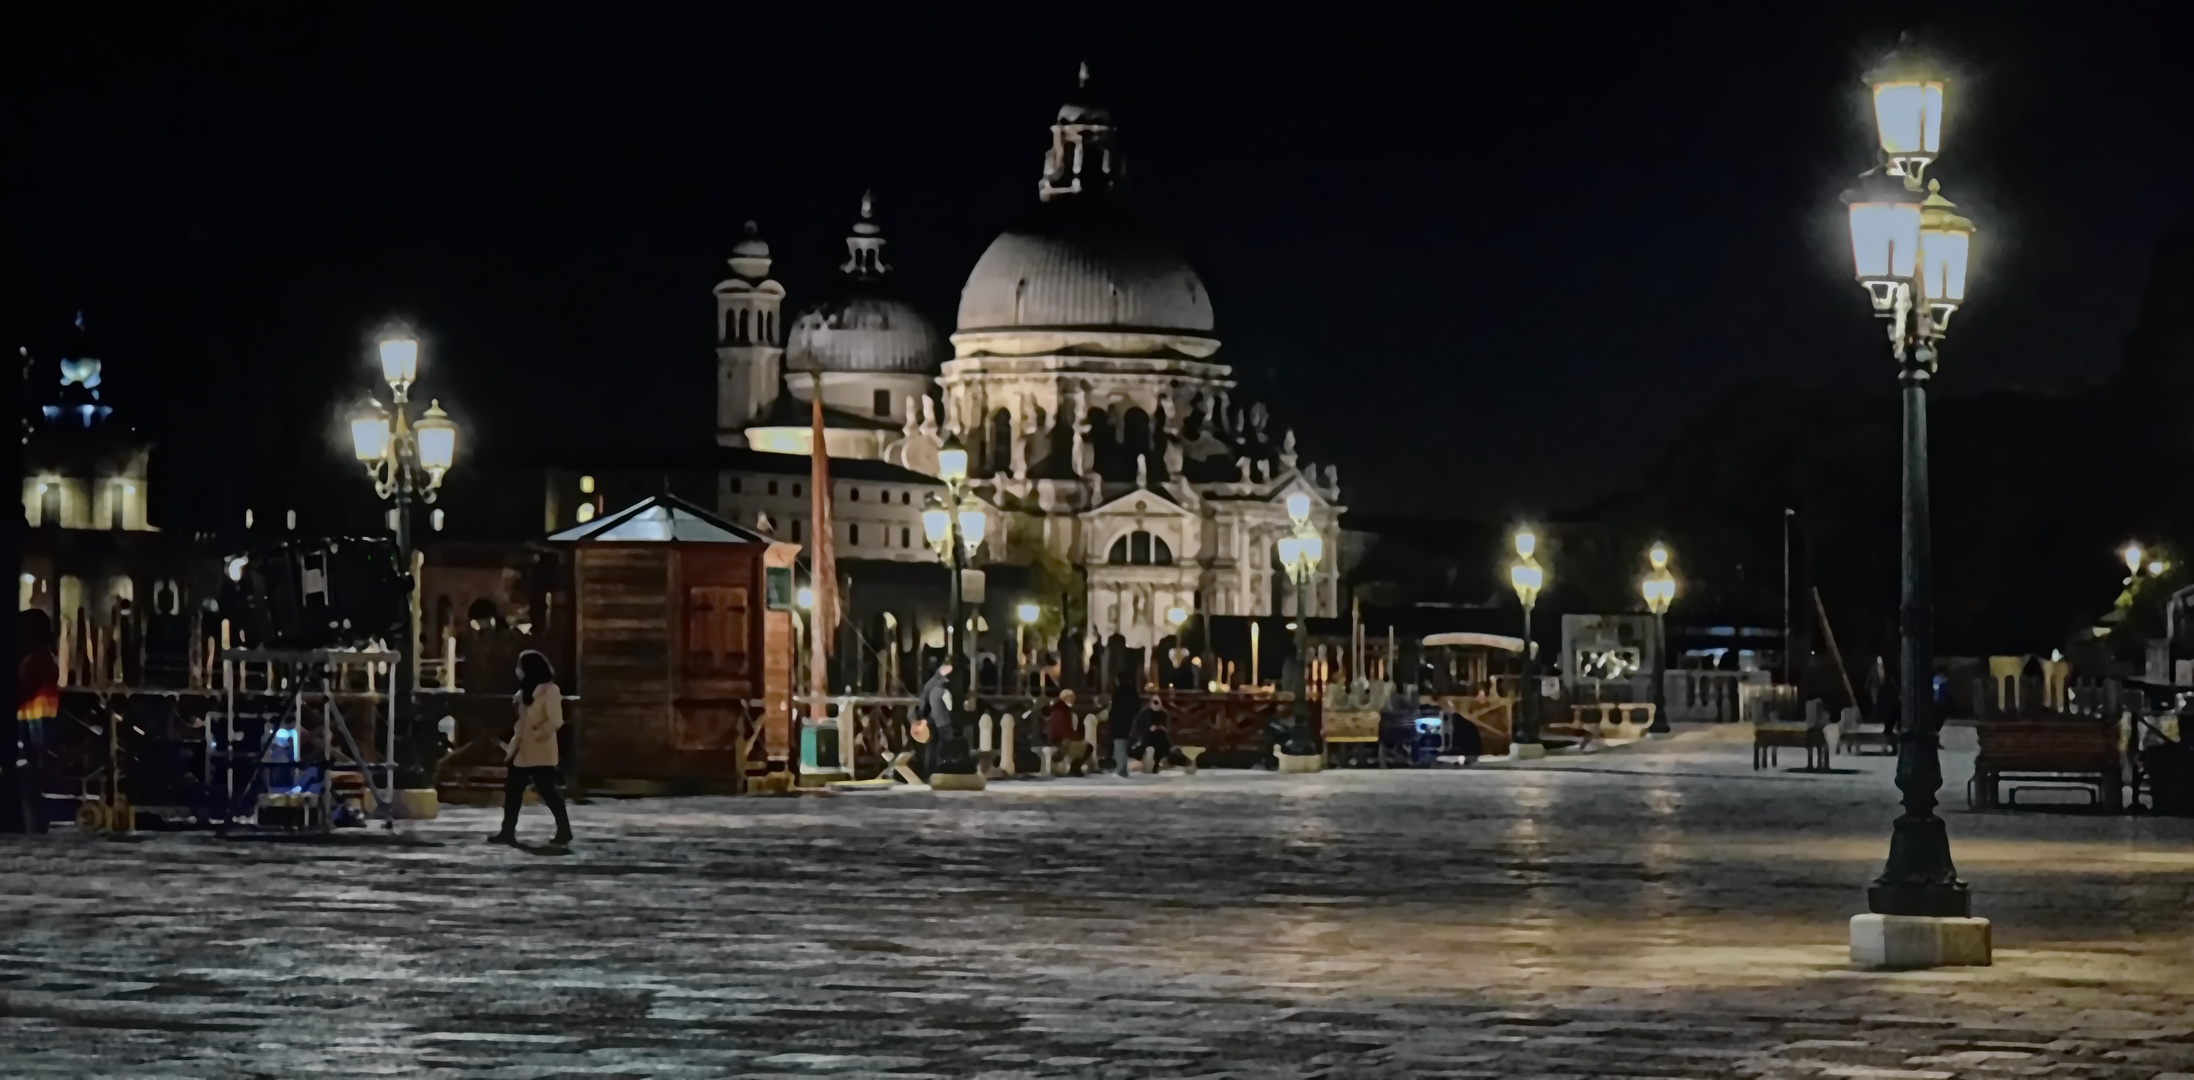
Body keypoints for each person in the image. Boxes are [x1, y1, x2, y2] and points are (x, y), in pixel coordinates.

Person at [490, 650, 571, 847]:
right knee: (513, 792)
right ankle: (507, 831)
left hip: (541, 751)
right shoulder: (524, 691)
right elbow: (521, 723)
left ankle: (564, 830)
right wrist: (514, 745)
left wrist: (537, 734)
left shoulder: (550, 691)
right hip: (522, 751)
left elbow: (555, 720)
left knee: (547, 791)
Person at [12, 610, 59, 834]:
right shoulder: (45, 657)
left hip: (31, 728)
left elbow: (22, 690)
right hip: (37, 728)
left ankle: (34, 827)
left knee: (29, 783)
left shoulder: (36, 660)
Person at [917, 660, 955, 776]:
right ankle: (942, 769)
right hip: (939, 720)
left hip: (930, 719)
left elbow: (923, 702)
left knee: (932, 747)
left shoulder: (930, 684)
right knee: (945, 745)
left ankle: (929, 771)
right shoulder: (941, 686)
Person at [1046, 689, 1088, 776]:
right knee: (1084, 747)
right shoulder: (1061, 710)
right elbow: (1061, 728)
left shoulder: (1064, 709)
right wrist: (1076, 737)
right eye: (1071, 697)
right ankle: (1073, 768)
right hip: (1062, 738)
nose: (1073, 700)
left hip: (1065, 737)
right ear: (1066, 698)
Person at [1107, 672, 1140, 777]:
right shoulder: (1132, 691)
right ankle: (1122, 768)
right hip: (1128, 721)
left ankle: (1121, 769)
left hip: (1118, 722)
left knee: (1119, 745)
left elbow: (1114, 708)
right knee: (1124, 745)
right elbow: (1136, 706)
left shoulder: (1118, 692)